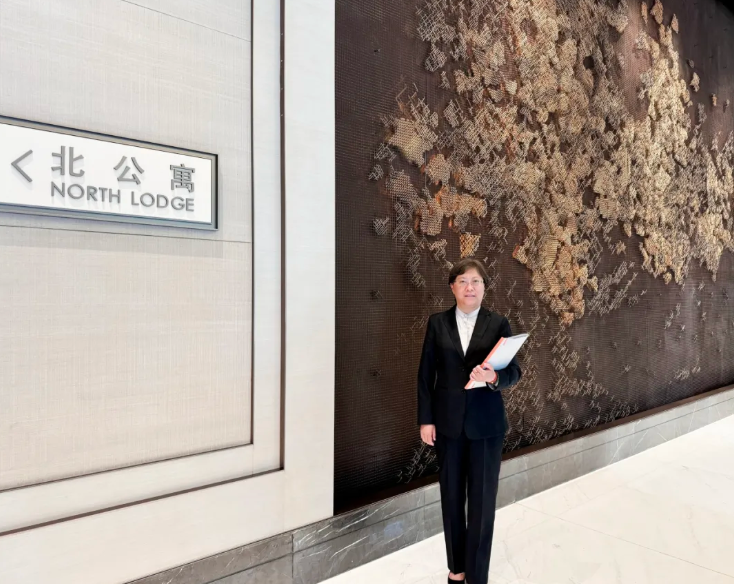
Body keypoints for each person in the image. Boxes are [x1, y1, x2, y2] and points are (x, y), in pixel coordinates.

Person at [417, 258, 522, 584]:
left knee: (482, 502)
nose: (469, 287)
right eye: (463, 281)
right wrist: (426, 420)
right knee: (451, 498)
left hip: (486, 427)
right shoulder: (437, 323)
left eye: (476, 281)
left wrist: (493, 377)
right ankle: (457, 569)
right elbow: (425, 375)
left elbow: (514, 372)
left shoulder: (498, 323)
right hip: (447, 426)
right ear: (453, 287)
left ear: (484, 288)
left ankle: (477, 576)